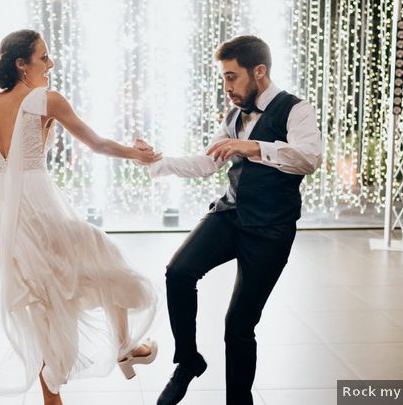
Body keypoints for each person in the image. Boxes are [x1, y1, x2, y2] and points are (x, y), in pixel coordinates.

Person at [0, 29, 161, 405]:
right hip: (39, 204)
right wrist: (137, 155)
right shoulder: (46, 99)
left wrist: (5, 184)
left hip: (4, 213)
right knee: (99, 256)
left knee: (38, 298)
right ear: (21, 64)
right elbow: (97, 144)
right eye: (44, 57)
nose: (51, 63)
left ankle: (55, 396)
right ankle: (123, 346)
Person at [135, 35, 323, 405]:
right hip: (229, 214)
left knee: (238, 327)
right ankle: (188, 362)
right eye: (224, 78)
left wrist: (254, 147)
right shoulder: (234, 115)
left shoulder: (296, 110)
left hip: (270, 230)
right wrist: (156, 161)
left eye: (232, 77)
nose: (227, 86)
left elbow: (309, 158)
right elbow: (209, 162)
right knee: (179, 272)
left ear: (259, 71)